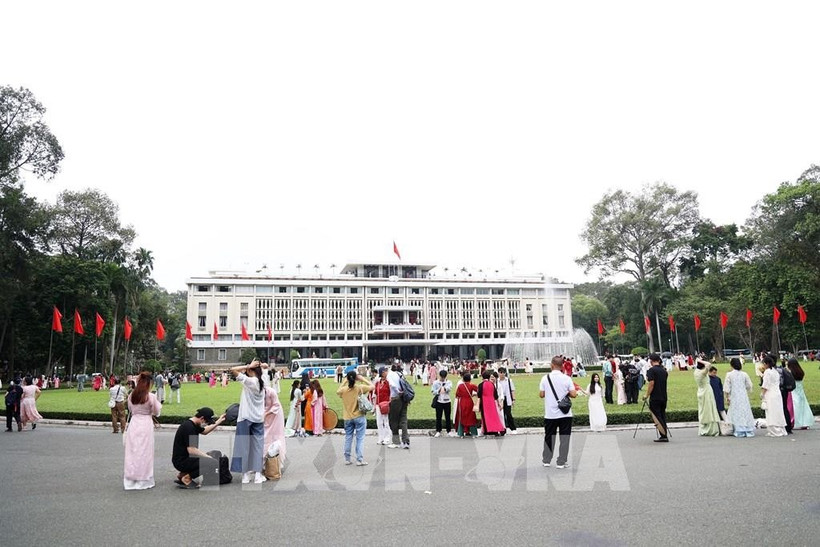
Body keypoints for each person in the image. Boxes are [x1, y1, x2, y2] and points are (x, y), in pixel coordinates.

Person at [230, 359, 267, 484]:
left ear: (250, 370)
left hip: (245, 416)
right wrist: (259, 365)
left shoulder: (249, 381)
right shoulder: (262, 381)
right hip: (258, 417)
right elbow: (266, 367)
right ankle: (257, 474)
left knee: (243, 445)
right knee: (258, 447)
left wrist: (247, 365)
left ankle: (245, 475)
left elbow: (232, 370)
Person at [123, 371, 162, 490]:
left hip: (134, 423)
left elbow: (130, 409)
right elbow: (157, 412)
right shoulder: (150, 396)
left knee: (132, 452)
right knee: (145, 452)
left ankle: (131, 479)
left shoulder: (131, 396)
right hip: (145, 424)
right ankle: (144, 479)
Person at [172, 407, 227, 488]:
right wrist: (208, 457)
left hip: (183, 459)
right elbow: (192, 450)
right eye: (206, 421)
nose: (207, 423)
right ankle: (187, 478)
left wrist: (218, 421)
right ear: (202, 418)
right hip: (181, 461)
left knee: (209, 459)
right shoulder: (189, 428)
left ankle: (183, 474)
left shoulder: (192, 424)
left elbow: (205, 431)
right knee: (212, 462)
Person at [539, 356, 578, 468]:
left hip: (550, 413)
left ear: (551, 365)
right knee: (564, 437)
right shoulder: (567, 378)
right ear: (562, 366)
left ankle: (546, 460)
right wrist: (566, 393)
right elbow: (574, 394)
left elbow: (541, 394)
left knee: (549, 436)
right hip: (565, 413)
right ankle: (561, 461)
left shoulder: (545, 378)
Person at [336, 371, 374, 465]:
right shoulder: (359, 388)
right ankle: (359, 459)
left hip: (347, 417)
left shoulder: (344, 390)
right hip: (359, 416)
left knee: (348, 437)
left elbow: (338, 391)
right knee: (360, 438)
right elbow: (372, 386)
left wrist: (344, 381)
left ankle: (347, 459)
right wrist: (362, 379)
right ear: (356, 378)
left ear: (348, 378)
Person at [723, 358, 756, 437]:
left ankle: (738, 429)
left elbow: (727, 387)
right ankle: (747, 428)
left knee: (736, 411)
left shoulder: (729, 374)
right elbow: (749, 385)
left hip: (734, 395)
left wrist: (727, 397)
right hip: (743, 395)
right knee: (744, 410)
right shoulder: (744, 374)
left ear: (731, 365)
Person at [644, 353, 669, 443]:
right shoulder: (664, 371)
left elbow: (651, 384)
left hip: (655, 397)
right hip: (663, 396)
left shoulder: (651, 370)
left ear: (651, 361)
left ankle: (663, 435)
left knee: (657, 416)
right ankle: (664, 432)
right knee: (662, 415)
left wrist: (646, 395)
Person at [760, 356, 787, 437]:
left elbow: (765, 385)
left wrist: (762, 394)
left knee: (771, 412)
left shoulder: (767, 372)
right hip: (777, 393)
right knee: (778, 411)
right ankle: (781, 429)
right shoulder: (775, 371)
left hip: (770, 393)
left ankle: (774, 430)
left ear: (767, 364)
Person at [386, 364, 410, 448]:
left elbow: (392, 385)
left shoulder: (390, 374)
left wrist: (397, 391)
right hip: (404, 398)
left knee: (393, 420)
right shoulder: (400, 374)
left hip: (395, 398)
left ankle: (396, 442)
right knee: (403, 420)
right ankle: (405, 441)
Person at [694, 359, 720, 436]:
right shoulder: (702, 373)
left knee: (703, 410)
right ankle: (711, 429)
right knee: (709, 409)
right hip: (707, 391)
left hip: (700, 390)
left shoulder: (696, 372)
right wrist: (701, 360)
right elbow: (709, 364)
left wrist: (698, 361)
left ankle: (704, 427)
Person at [787, 358, 814, 429]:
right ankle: (805, 422)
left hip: (794, 391)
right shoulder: (800, 372)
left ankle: (795, 422)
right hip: (800, 390)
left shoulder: (791, 373)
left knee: (795, 407)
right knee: (803, 406)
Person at [263, 383, 286, 465]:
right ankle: (265, 460)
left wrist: (266, 414)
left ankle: (277, 461)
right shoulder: (256, 393)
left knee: (276, 436)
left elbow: (276, 405)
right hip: (266, 416)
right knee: (266, 437)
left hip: (276, 415)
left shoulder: (271, 391)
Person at [477, 370, 504, 436]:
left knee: (485, 417)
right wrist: (499, 404)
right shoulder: (492, 384)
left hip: (484, 403)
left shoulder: (481, 385)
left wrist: (478, 405)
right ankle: (495, 430)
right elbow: (496, 396)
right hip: (492, 402)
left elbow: (479, 395)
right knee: (494, 417)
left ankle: (487, 431)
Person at [453, 372, 478, 438]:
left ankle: (461, 434)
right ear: (470, 379)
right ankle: (474, 433)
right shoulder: (471, 385)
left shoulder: (460, 386)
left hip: (462, 403)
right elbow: (479, 390)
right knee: (471, 417)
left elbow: (457, 395)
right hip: (470, 402)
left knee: (462, 417)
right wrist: (475, 395)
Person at [430, 369, 454, 437]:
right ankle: (438, 430)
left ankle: (448, 431)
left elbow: (449, 388)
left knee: (448, 417)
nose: (442, 379)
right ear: (439, 376)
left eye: (444, 377)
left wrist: (445, 388)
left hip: (447, 401)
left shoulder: (449, 382)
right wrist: (439, 390)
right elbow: (432, 391)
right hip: (439, 401)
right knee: (438, 417)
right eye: (441, 377)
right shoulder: (435, 382)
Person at [373, 367, 392, 444]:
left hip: (386, 403)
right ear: (382, 373)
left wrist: (389, 402)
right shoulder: (377, 383)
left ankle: (387, 438)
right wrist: (374, 405)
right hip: (378, 404)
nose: (386, 372)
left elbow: (391, 393)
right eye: (385, 371)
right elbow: (375, 394)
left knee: (386, 421)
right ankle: (381, 437)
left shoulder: (388, 382)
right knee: (379, 422)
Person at [496, 367, 517, 434]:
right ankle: (502, 430)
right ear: (498, 373)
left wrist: (513, 399)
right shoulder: (497, 381)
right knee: (501, 415)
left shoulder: (508, 380)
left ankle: (513, 428)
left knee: (508, 414)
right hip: (500, 399)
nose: (502, 374)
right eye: (500, 372)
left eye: (503, 372)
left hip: (507, 398)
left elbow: (512, 390)